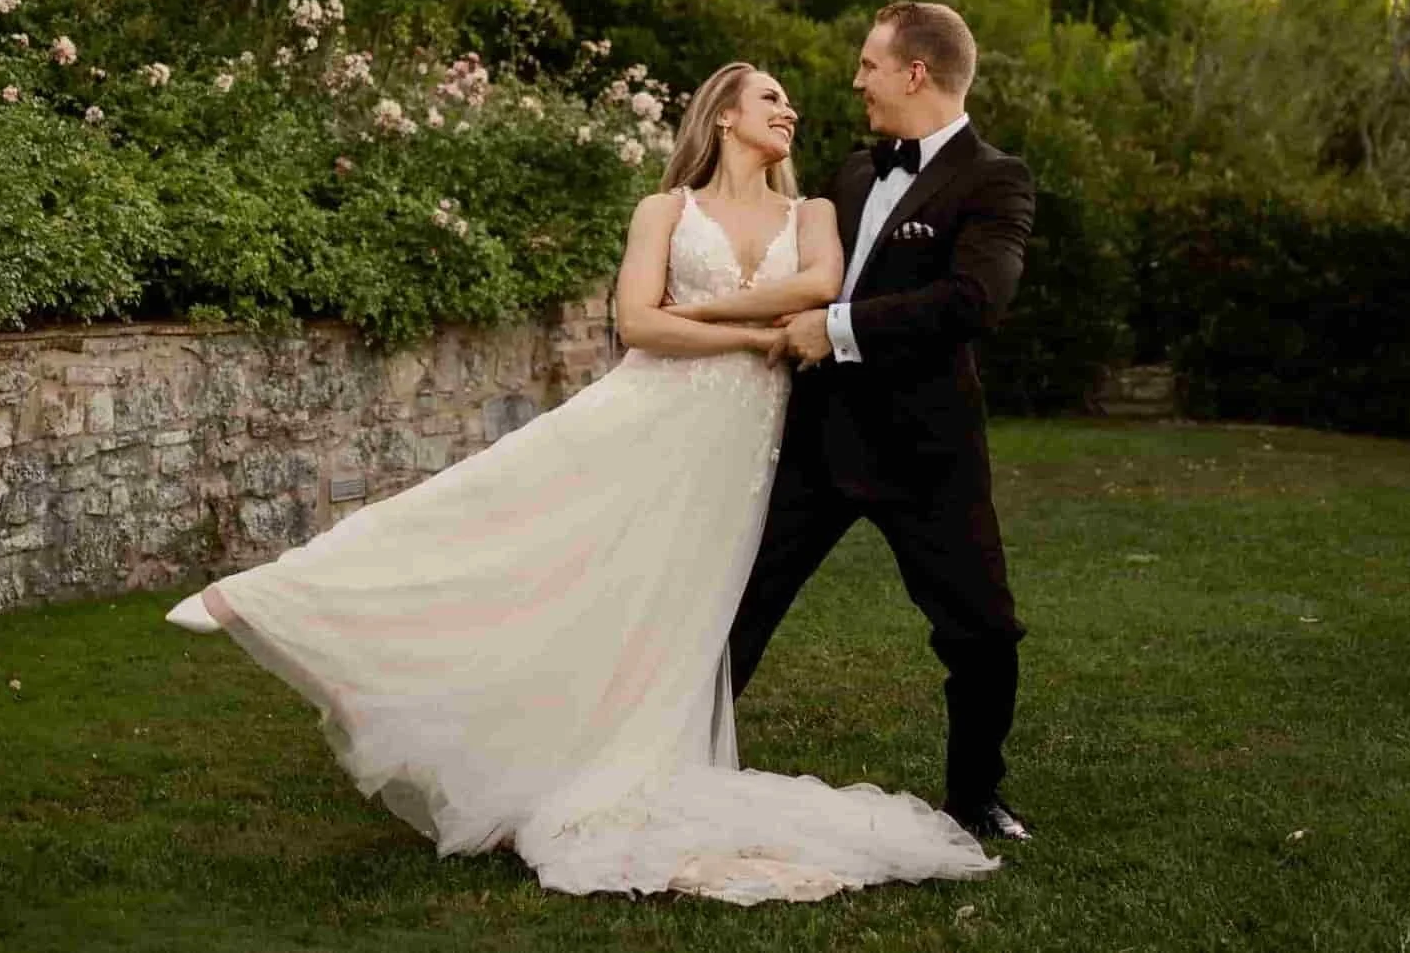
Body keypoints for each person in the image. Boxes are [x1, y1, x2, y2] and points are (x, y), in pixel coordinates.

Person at [164, 57, 1001, 903]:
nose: (794, 108)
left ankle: (615, 753)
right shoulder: (662, 210)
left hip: (737, 451)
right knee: (506, 511)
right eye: (771, 97)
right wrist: (756, 338)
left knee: (667, 601)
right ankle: (280, 593)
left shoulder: (817, 207)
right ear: (722, 117)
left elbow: (821, 287)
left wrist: (701, 314)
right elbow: (638, 324)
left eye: (793, 96)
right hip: (647, 412)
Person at [727, 1, 1039, 846]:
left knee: (980, 631)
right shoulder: (856, 171)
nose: (856, 80)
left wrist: (836, 330)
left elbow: (976, 299)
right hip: (818, 436)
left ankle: (975, 795)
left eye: (869, 65)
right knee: (734, 607)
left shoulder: (994, 179)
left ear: (915, 72)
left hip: (926, 447)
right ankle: (675, 762)